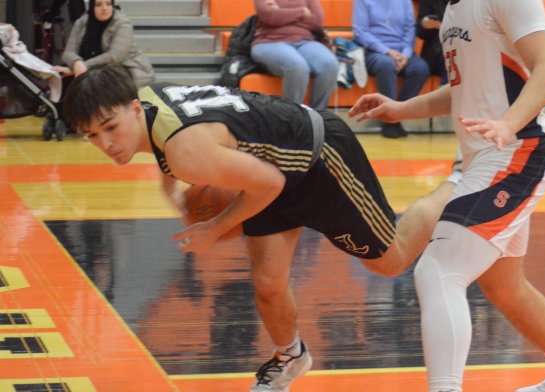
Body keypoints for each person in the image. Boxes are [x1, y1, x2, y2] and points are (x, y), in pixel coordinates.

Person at [62, 64, 462, 392]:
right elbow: (248, 175)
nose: (106, 143)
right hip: (268, 168)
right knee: (269, 284)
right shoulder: (150, 101)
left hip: (318, 157)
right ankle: (291, 357)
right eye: (92, 136)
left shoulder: (187, 152)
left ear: (133, 108)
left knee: (390, 260)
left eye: (110, 127)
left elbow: (266, 183)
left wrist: (215, 227)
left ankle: (456, 183)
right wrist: (174, 194)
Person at [349, 0, 545, 391]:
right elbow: (461, 90)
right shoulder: (452, 11)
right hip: (482, 160)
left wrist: (508, 123)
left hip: (517, 155)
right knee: (504, 285)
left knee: (437, 271)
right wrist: (400, 109)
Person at [352, 0, 430, 138]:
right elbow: (360, 32)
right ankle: (390, 120)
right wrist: (387, 51)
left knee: (420, 68)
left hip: (401, 52)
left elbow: (409, 29)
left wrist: (405, 54)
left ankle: (398, 113)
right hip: (374, 51)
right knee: (386, 65)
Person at [250, 0, 339, 111]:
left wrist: (281, 13)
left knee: (330, 64)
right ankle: (292, 116)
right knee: (297, 66)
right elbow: (270, 17)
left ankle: (318, 116)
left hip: (305, 41)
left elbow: (317, 21)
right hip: (269, 41)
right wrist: (302, 11)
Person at [55, 0, 154, 88]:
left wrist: (81, 67)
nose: (104, 8)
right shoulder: (82, 22)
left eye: (108, 4)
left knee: (104, 82)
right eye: (98, 4)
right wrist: (76, 63)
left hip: (125, 69)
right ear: (92, 6)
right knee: (66, 80)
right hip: (93, 69)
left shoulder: (123, 24)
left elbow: (115, 57)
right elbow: (68, 53)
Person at [416, 0, 449, 85]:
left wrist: (441, 27)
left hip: (458, 46)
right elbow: (419, 32)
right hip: (434, 52)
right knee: (449, 59)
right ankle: (445, 97)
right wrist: (424, 24)